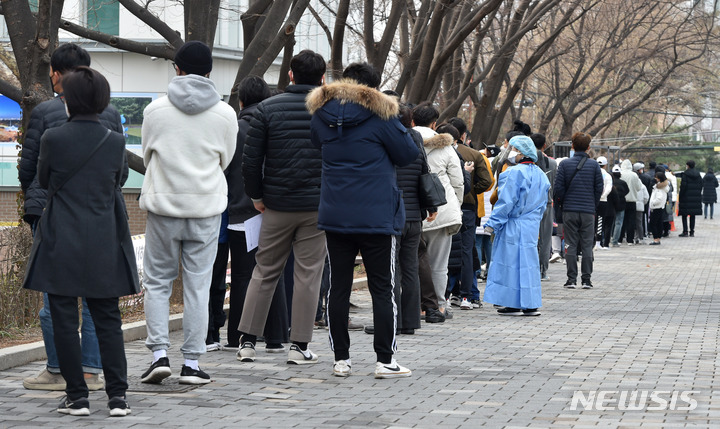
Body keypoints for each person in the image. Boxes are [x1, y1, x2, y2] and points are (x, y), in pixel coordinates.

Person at [22, 67, 140, 416]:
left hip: (61, 236)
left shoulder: (53, 138)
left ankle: (77, 397)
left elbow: (43, 178)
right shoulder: (115, 141)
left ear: (68, 100)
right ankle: (118, 396)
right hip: (104, 236)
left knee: (62, 316)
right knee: (107, 317)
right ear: (103, 101)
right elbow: (118, 180)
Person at [307, 62, 419, 378]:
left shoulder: (322, 114)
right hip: (377, 215)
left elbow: (316, 143)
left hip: (335, 214)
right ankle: (385, 360)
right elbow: (409, 154)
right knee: (383, 288)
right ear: (373, 87)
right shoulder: (383, 115)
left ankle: (341, 359)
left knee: (338, 287)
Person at [140, 41, 238, 385]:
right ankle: (193, 363)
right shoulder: (226, 114)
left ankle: (158, 356)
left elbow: (149, 154)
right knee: (198, 285)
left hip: (164, 207)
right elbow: (225, 160)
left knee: (157, 283)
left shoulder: (155, 110)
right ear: (210, 72)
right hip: (206, 208)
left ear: (177, 69)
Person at [238, 50, 327, 365]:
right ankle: (299, 346)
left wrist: (257, 196)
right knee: (308, 274)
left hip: (275, 204)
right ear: (322, 78)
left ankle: (247, 342)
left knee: (264, 271)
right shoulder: (330, 112)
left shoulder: (266, 109)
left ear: (290, 75)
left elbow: (252, 161)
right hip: (316, 206)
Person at [224, 76, 289, 354]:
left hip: (239, 212)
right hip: (274, 211)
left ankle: (238, 335)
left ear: (241, 101)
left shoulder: (234, 130)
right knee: (273, 271)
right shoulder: (277, 128)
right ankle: (276, 336)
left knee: (242, 275)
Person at [483, 135, 550, 315]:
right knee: (528, 265)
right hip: (530, 226)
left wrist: (492, 224)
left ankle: (511, 303)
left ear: (520, 152)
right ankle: (530, 304)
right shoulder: (542, 176)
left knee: (508, 264)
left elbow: (505, 202)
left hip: (512, 225)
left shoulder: (512, 173)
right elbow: (543, 204)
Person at [412, 103, 463, 319]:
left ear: (412, 121)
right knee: (439, 264)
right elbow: (458, 181)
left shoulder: (404, 141)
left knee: (412, 263)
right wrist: (456, 204)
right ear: (434, 123)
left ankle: (416, 305)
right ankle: (439, 305)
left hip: (414, 211)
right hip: (442, 210)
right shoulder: (446, 146)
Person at [448, 117, 493, 309]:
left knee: (444, 250)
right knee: (467, 251)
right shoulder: (474, 154)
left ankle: (446, 294)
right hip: (467, 208)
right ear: (463, 135)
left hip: (444, 207)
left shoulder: (439, 151)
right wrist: (471, 189)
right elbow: (488, 181)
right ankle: (467, 296)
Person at [553, 132, 603, 289]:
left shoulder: (564, 164)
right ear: (588, 148)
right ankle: (586, 279)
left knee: (570, 244)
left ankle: (571, 279)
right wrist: (592, 204)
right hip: (588, 211)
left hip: (570, 210)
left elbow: (558, 189)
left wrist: (562, 204)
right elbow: (598, 189)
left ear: (572, 146)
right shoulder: (594, 165)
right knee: (587, 244)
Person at [532, 133, 557, 280]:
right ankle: (543, 270)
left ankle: (532, 268)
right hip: (547, 203)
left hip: (530, 206)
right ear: (544, 145)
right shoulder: (552, 164)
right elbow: (554, 186)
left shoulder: (526, 161)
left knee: (531, 238)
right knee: (545, 239)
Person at [619, 159, 644, 245]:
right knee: (631, 221)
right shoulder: (634, 175)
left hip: (622, 200)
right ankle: (630, 240)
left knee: (621, 220)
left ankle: (620, 238)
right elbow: (639, 188)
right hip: (632, 201)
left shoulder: (620, 174)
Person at [677, 160, 703, 237]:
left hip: (686, 197)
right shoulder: (698, 175)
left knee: (684, 215)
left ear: (687, 165)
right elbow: (701, 185)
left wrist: (681, 195)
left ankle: (685, 231)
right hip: (695, 197)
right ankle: (692, 232)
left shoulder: (685, 174)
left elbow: (683, 186)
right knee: (692, 215)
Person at [595, 156, 614, 249]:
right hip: (603, 201)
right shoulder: (608, 176)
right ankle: (598, 242)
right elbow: (608, 188)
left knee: (591, 221)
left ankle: (591, 241)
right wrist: (603, 196)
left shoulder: (593, 173)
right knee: (600, 221)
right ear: (605, 165)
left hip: (592, 200)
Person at [648, 172, 671, 245]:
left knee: (653, 223)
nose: (655, 179)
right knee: (658, 223)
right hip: (660, 207)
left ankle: (656, 239)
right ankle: (658, 238)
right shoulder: (662, 187)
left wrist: (652, 203)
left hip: (656, 207)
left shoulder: (659, 188)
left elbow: (659, 198)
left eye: (656, 178)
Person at [610, 165, 629, 247]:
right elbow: (627, 191)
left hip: (611, 204)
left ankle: (608, 238)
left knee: (610, 222)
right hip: (621, 204)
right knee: (619, 222)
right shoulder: (623, 183)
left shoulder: (611, 182)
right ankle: (615, 240)